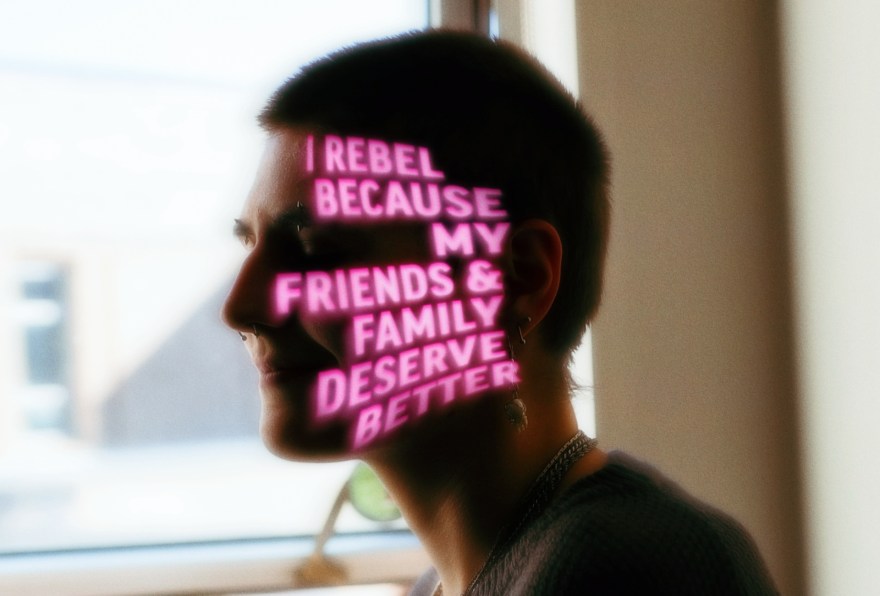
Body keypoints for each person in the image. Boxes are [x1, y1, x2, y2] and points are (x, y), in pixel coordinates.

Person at [222, 30, 778, 595]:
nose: (240, 309)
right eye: (250, 246)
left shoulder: (625, 568)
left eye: (317, 251)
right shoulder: (456, 580)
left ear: (518, 279)